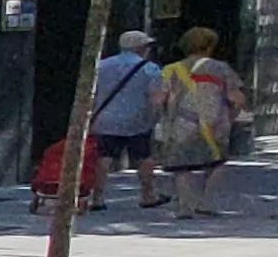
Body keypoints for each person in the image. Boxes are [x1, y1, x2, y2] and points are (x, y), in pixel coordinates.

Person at [152, 27, 248, 217]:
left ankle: (184, 207)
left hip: (179, 126)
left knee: (181, 167)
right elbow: (236, 97)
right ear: (210, 46)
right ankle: (205, 202)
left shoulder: (170, 69)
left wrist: (163, 117)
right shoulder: (221, 68)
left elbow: (157, 99)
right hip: (214, 125)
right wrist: (232, 113)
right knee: (216, 163)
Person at [85, 30, 160, 210]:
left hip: (105, 119)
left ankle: (97, 198)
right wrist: (156, 117)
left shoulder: (101, 65)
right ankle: (148, 195)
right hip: (138, 120)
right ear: (140, 47)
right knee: (143, 157)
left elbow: (91, 94)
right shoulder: (150, 69)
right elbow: (154, 98)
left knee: (104, 158)